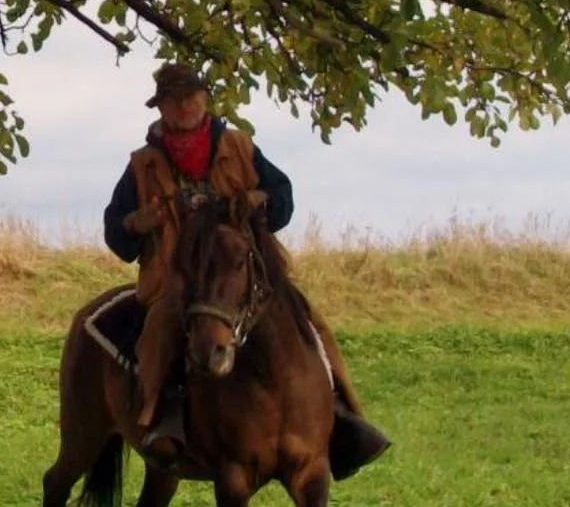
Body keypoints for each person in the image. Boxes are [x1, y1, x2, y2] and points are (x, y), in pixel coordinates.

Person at [102, 62, 391, 477]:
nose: (183, 106)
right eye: (173, 100)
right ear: (161, 108)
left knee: (311, 323)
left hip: (242, 272)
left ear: (205, 100)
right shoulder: (142, 165)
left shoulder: (238, 146)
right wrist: (136, 222)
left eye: (190, 97)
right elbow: (115, 233)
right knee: (160, 330)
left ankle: (343, 413)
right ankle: (161, 420)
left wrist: (260, 199)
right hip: (176, 278)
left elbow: (283, 197)